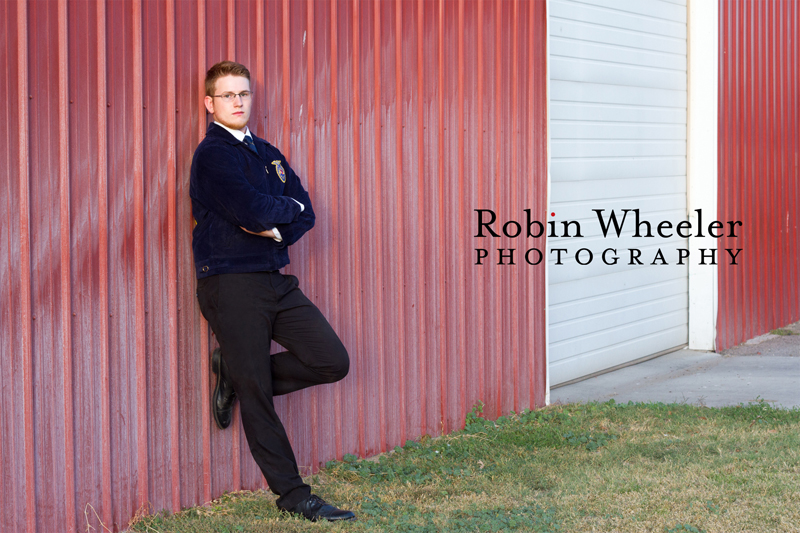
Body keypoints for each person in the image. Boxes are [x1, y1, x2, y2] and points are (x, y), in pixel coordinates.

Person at [190, 60, 355, 523]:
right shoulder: (213, 155)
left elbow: (305, 214)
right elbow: (253, 210)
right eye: (227, 96)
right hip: (230, 283)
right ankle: (294, 497)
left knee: (331, 360)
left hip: (274, 280)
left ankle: (236, 371)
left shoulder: (268, 153)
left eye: (243, 94)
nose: (238, 102)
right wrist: (277, 213)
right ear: (210, 103)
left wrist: (275, 227)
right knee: (258, 392)